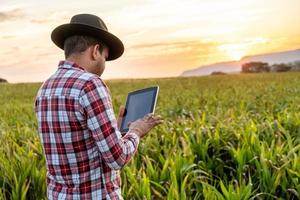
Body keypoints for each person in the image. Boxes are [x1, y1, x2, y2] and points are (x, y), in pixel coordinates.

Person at [34, 13, 163, 200]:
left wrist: (116, 129)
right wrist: (136, 131)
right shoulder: (90, 84)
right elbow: (117, 158)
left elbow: (78, 143)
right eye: (105, 56)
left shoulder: (45, 88)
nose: (104, 63)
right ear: (95, 51)